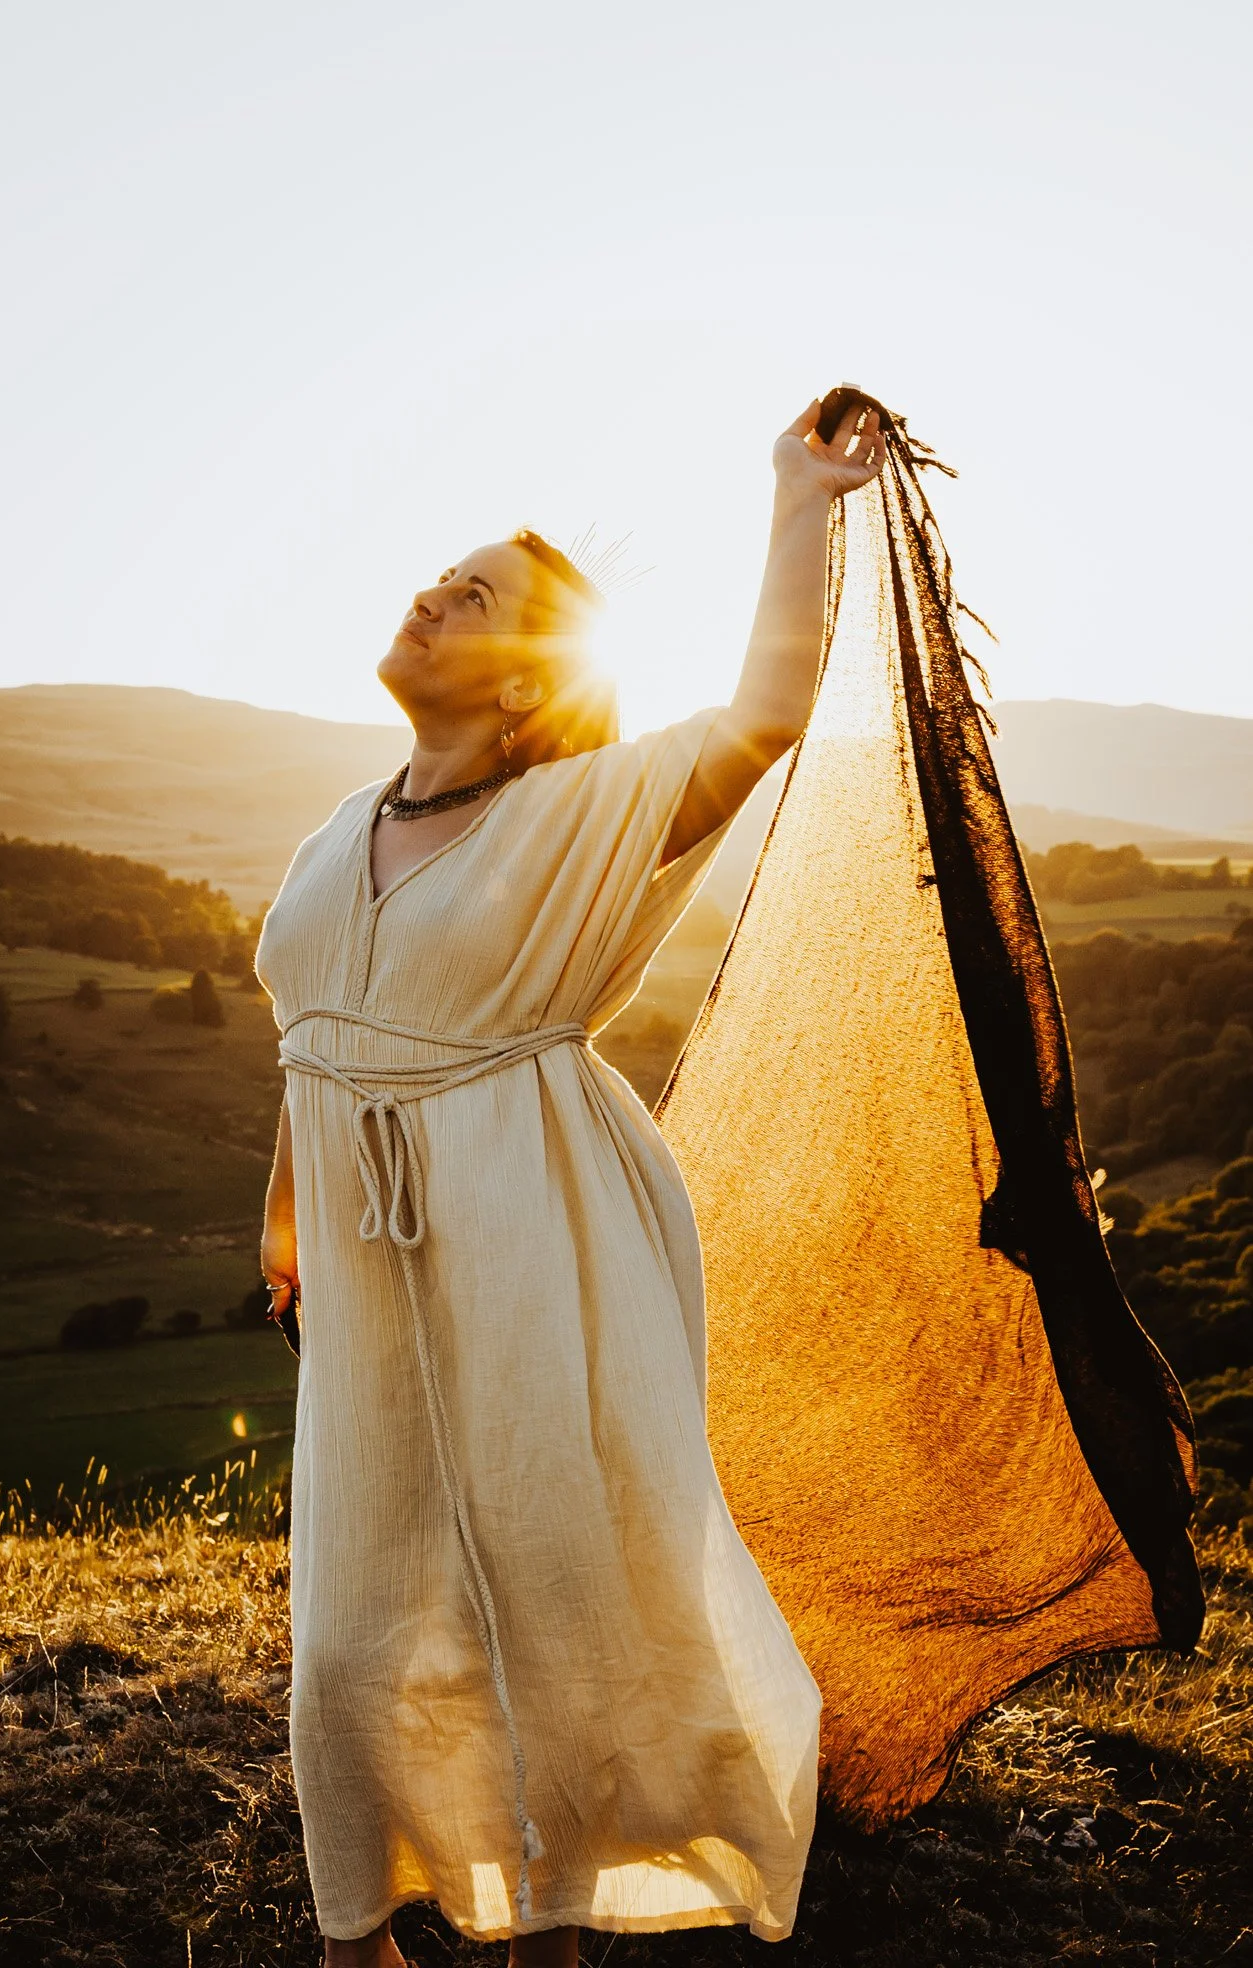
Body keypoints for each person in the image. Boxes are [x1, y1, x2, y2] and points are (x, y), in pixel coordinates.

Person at [255, 398, 887, 1967]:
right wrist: (282, 1214)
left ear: (535, 674)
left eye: (476, 594)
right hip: (373, 1251)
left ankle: (553, 1921)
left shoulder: (576, 816)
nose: (433, 595)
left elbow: (765, 707)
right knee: (352, 1618)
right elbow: (316, 1042)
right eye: (440, 575)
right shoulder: (344, 827)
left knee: (550, 1579)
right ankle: (360, 1922)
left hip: (539, 1224)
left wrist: (794, 497)